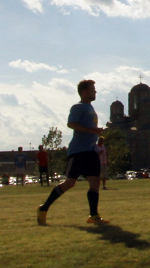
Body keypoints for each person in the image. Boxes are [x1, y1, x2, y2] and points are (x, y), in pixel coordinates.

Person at [37, 79, 108, 225]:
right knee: (69, 183)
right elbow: (71, 124)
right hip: (78, 152)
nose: (95, 91)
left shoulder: (91, 108)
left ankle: (93, 216)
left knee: (95, 182)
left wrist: (96, 132)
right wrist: (91, 130)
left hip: (91, 151)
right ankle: (44, 208)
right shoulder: (78, 107)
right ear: (84, 91)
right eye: (92, 89)